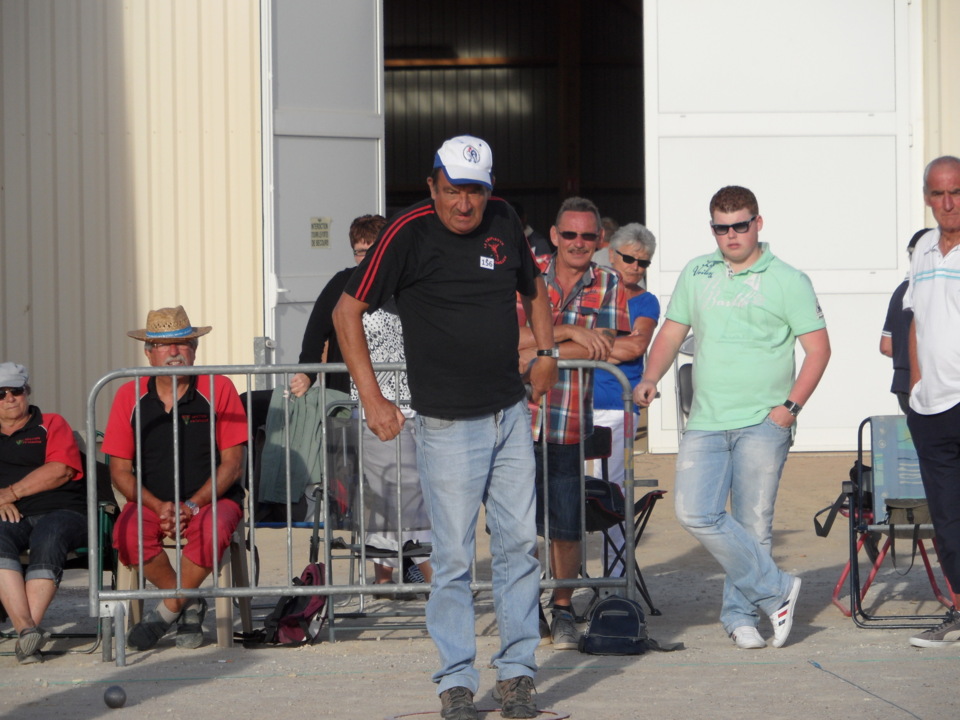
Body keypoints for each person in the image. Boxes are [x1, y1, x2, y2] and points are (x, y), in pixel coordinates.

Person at [333, 135, 558, 720]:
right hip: (446, 424)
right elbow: (345, 311)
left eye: (475, 192)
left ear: (490, 190)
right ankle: (457, 681)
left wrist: (547, 351)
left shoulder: (505, 220)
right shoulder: (405, 233)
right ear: (432, 184)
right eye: (453, 190)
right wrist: (374, 398)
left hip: (508, 414)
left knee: (517, 547)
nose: (465, 204)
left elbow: (533, 290)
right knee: (454, 558)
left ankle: (516, 677)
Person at [634, 185, 830, 651]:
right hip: (705, 419)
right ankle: (778, 587)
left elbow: (819, 351)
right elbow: (671, 332)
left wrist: (789, 410)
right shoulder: (698, 272)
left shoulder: (788, 279)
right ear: (712, 229)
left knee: (753, 524)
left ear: (758, 223)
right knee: (693, 511)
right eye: (722, 228)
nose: (731, 235)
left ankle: (741, 616)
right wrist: (650, 375)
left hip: (765, 421)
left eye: (740, 225)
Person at [518, 197, 629, 650]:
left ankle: (562, 607)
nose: (579, 243)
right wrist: (564, 332)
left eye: (588, 236)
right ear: (555, 234)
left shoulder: (609, 282)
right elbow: (505, 340)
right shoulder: (526, 275)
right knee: (515, 525)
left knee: (566, 524)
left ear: (599, 239)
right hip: (514, 419)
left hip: (566, 419)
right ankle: (525, 608)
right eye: (570, 235)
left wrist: (537, 348)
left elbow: (605, 347)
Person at [102, 306, 247, 651]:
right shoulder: (128, 395)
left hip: (213, 500)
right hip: (153, 501)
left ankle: (167, 610)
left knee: (213, 529)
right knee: (126, 531)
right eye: (163, 345)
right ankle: (190, 603)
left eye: (182, 344)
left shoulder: (219, 387)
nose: (174, 352)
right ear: (148, 353)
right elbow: (119, 470)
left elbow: (233, 463)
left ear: (195, 350)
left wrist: (193, 505)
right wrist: (159, 505)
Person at [903, 155, 960, 648]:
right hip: (930, 409)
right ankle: (959, 613)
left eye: (957, 192)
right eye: (939, 194)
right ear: (926, 197)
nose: (948, 203)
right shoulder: (921, 249)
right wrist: (917, 386)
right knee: (947, 520)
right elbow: (916, 322)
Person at [0, 363, 87, 664]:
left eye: (16, 390)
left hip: (62, 509)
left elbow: (60, 470)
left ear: (27, 392)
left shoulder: (50, 423)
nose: (10, 398)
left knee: (50, 533)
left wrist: (9, 493)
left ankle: (28, 632)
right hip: (10, 515)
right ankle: (27, 632)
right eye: (1, 393)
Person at [588, 223, 660, 575]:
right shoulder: (590, 290)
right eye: (628, 258)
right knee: (563, 489)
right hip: (574, 404)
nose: (635, 267)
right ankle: (564, 580)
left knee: (610, 491)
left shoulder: (646, 301)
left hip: (618, 407)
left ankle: (614, 578)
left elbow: (636, 346)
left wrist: (583, 346)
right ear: (611, 255)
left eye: (643, 263)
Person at [290, 215, 386, 397]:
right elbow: (315, 333)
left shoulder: (403, 284)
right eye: (360, 252)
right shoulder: (341, 283)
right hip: (346, 391)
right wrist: (306, 373)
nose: (366, 259)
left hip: (397, 392)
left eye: (372, 251)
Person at [879, 229, 929, 414]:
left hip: (902, 383)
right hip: (935, 385)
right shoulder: (933, 290)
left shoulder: (900, 292)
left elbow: (886, 346)